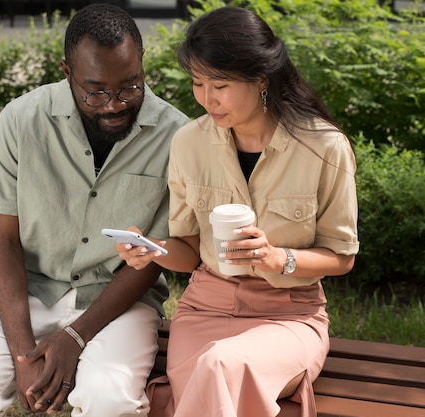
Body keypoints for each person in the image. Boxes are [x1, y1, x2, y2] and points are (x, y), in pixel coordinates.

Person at [0, 4, 189, 417]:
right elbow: (2, 239)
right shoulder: (21, 120)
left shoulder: (176, 136)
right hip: (29, 293)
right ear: (67, 71)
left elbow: (152, 261)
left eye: (130, 86)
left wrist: (75, 337)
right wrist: (22, 357)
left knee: (109, 401)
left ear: (141, 63)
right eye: (95, 91)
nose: (113, 105)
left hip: (118, 304)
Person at [116, 6, 359, 417]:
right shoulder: (189, 143)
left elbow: (342, 256)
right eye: (197, 84)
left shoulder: (324, 146)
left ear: (261, 79)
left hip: (289, 316)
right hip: (204, 310)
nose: (206, 99)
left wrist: (276, 258)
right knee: (212, 375)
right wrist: (152, 249)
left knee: (217, 368)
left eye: (221, 85)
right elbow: (189, 251)